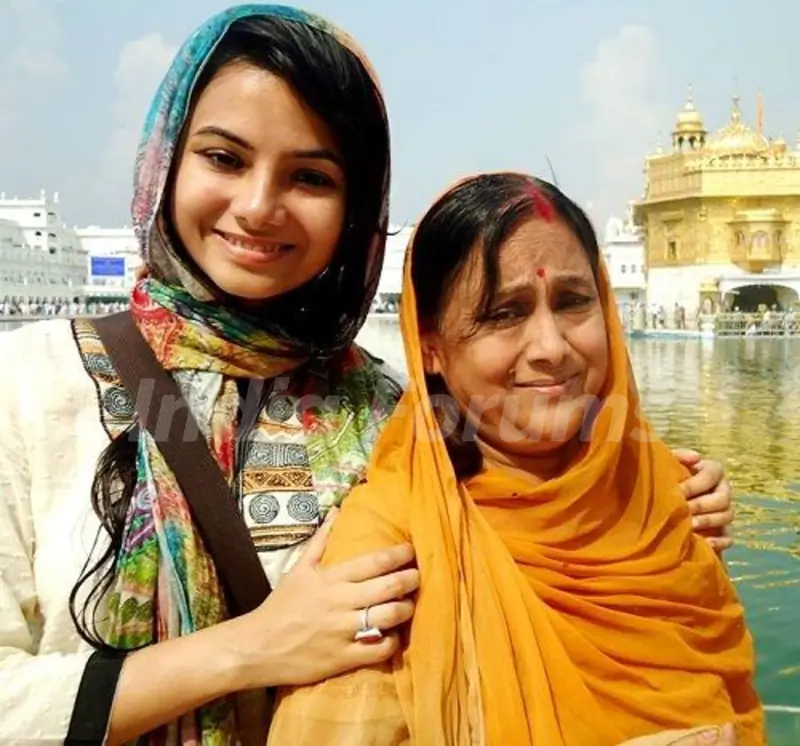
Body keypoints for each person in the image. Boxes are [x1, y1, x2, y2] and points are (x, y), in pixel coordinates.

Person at [0, 6, 733, 745]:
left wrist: (655, 500)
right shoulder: (31, 386)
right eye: (224, 158)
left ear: (356, 208)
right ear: (166, 162)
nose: (258, 207)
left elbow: (529, 548)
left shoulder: (397, 419)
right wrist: (251, 648)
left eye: (310, 176)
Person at [266, 174, 763, 745]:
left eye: (574, 302)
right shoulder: (391, 545)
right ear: (430, 346)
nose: (552, 348)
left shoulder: (667, 498)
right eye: (503, 313)